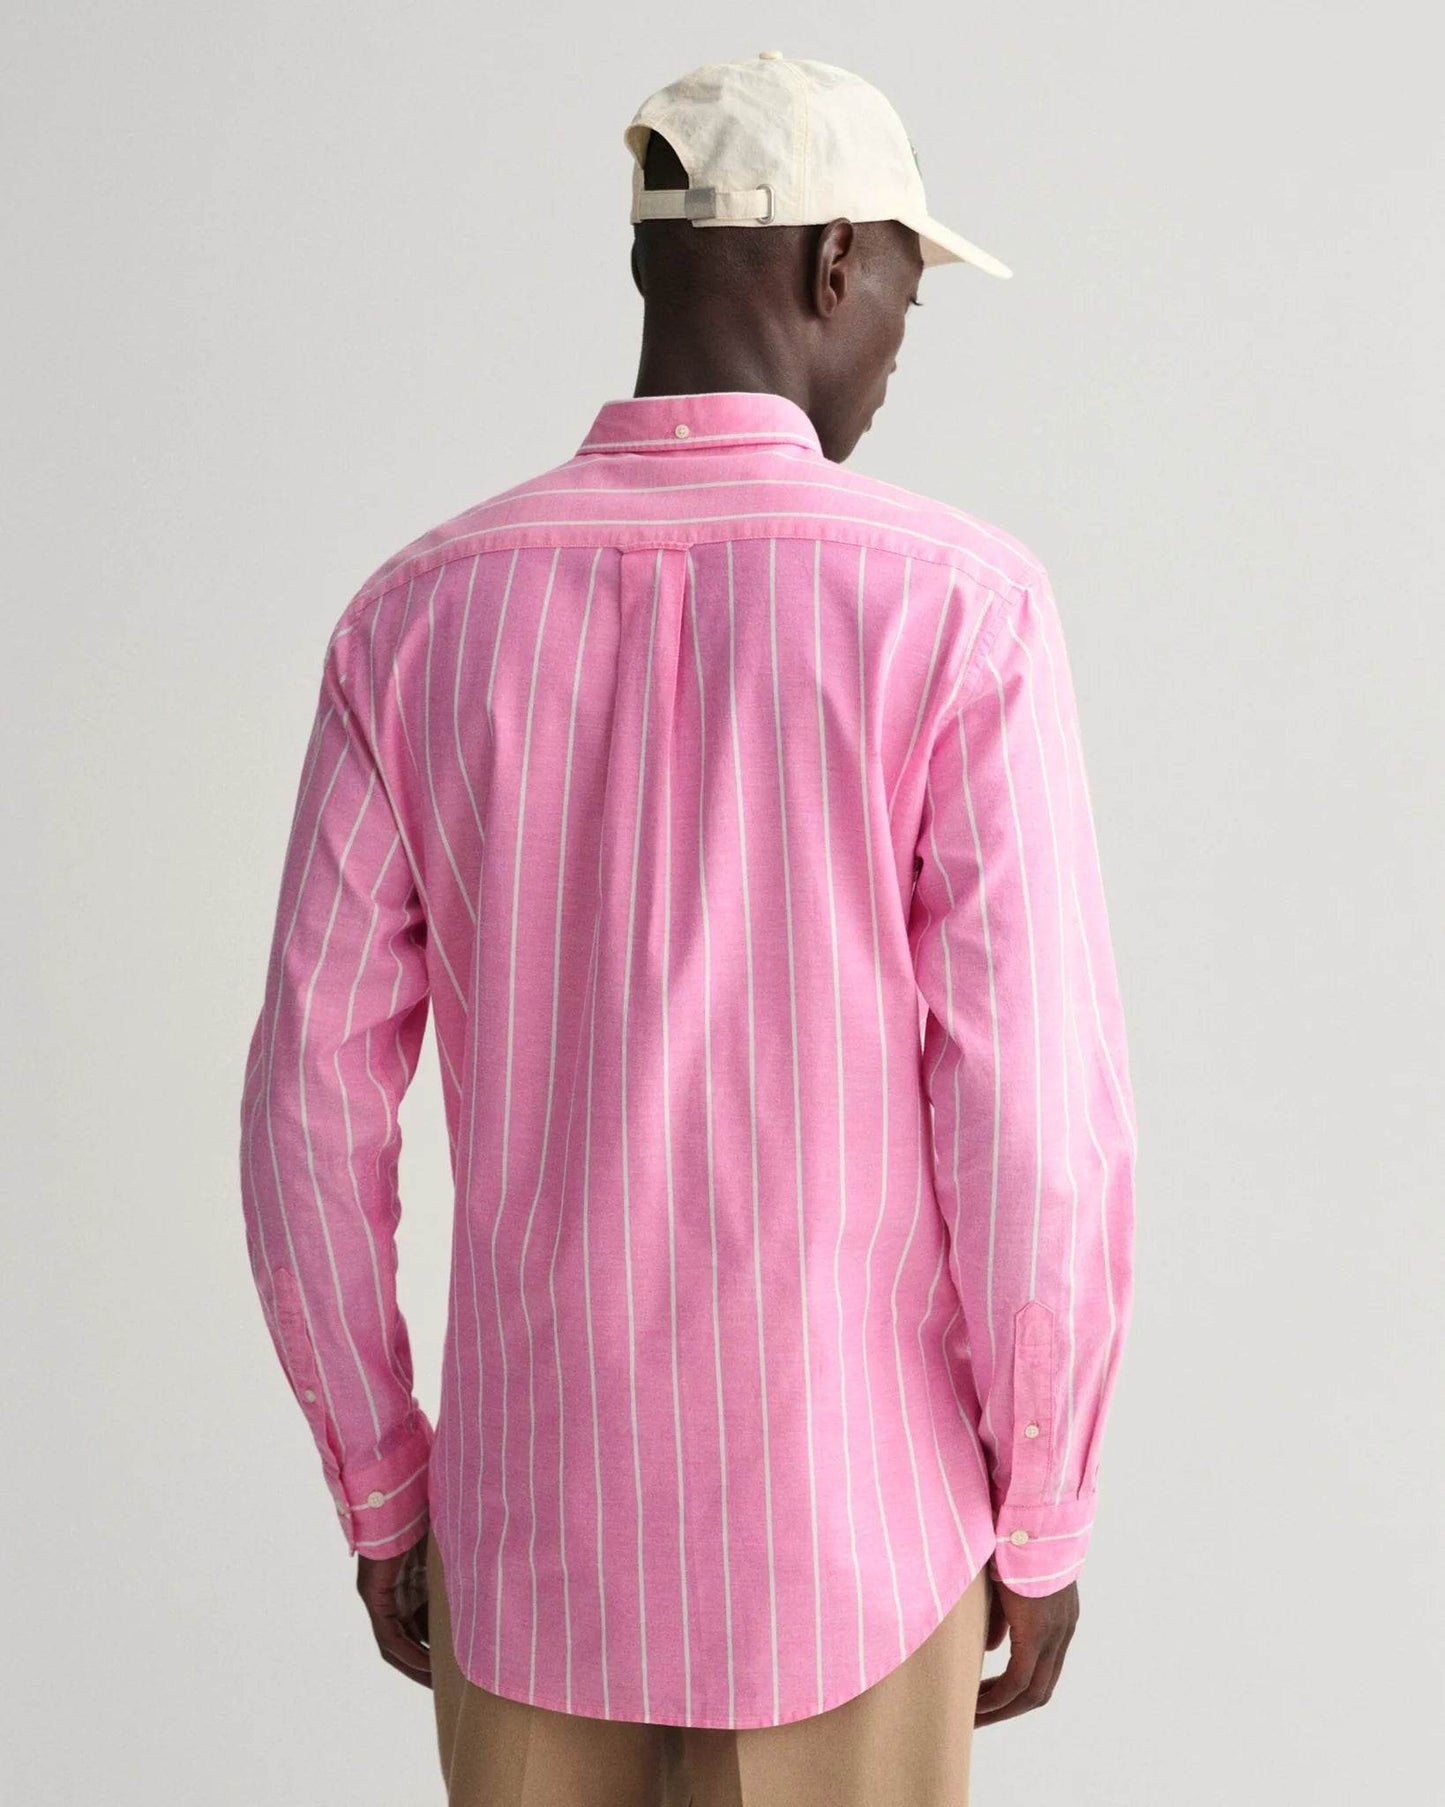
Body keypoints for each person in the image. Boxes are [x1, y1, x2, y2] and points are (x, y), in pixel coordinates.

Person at [238, 50, 1138, 1807]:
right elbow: (1033, 1117)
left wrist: (384, 1486)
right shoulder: (959, 611)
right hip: (858, 1549)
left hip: (527, 1548)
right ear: (829, 261)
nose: (900, 335)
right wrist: (1041, 1507)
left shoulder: (414, 623)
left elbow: (302, 1116)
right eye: (905, 283)